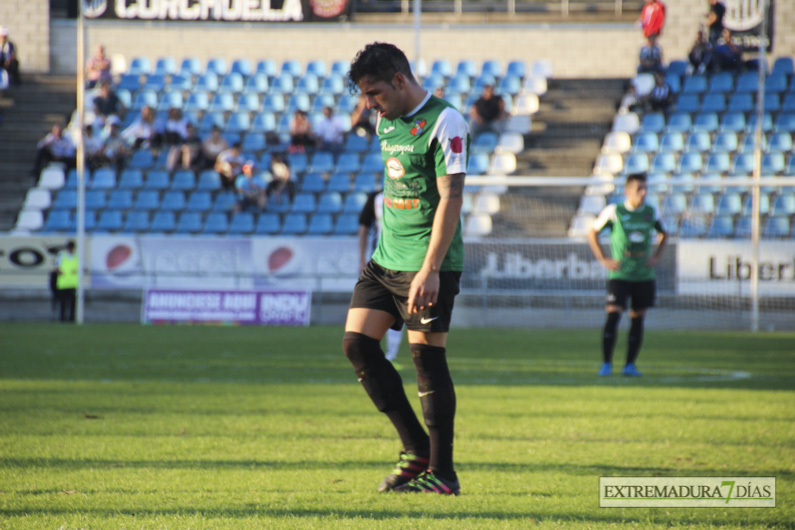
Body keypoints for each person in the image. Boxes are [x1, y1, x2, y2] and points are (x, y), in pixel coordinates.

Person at [343, 42, 470, 495]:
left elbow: (451, 198)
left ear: (399, 80)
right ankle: (415, 449)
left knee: (426, 359)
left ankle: (443, 473)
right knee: (357, 345)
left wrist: (431, 268)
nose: (369, 103)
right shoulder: (384, 119)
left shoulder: (445, 121)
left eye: (374, 92)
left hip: (426, 264)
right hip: (385, 259)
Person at [586, 173, 668, 377]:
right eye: (639, 188)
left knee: (638, 319)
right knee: (613, 315)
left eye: (645, 188)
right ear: (627, 191)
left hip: (643, 275)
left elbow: (664, 234)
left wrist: (656, 257)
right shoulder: (615, 211)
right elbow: (592, 232)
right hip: (620, 275)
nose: (643, 192)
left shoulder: (651, 212)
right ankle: (606, 364)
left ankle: (629, 365)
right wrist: (603, 258)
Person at [358, 190, 405, 369]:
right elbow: (363, 228)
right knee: (373, 307)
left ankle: (390, 355)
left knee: (395, 310)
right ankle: (377, 353)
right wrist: (362, 259)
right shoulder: (375, 197)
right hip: (378, 260)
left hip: (402, 262)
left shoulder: (408, 195)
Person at [56, 241, 79, 323]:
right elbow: (57, 267)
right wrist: (60, 272)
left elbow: (84, 267)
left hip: (73, 283)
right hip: (63, 283)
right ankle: (62, 318)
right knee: (63, 303)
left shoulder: (77, 256)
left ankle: (71, 318)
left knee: (72, 303)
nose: (70, 250)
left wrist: (77, 271)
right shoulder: (61, 255)